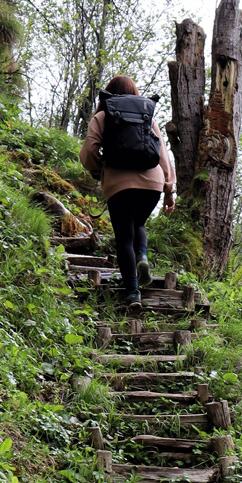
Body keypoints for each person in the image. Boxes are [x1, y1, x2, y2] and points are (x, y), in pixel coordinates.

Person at [79, 74, 176, 309]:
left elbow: (89, 152)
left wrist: (99, 170)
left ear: (109, 94)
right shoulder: (147, 117)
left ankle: (133, 293)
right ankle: (142, 257)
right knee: (138, 224)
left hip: (119, 183)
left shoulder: (102, 116)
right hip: (152, 183)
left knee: (124, 236)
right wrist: (168, 189)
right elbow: (163, 156)